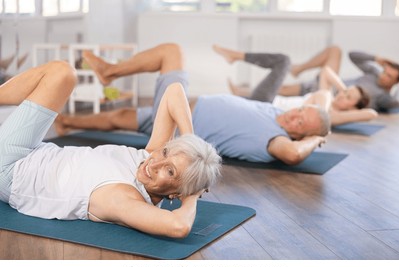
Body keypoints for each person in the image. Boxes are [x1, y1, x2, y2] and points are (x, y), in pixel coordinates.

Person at [0, 46, 222, 239]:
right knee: (62, 73)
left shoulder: (123, 197)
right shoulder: (151, 160)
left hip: (10, 171)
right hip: (36, 150)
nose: (155, 164)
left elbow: (179, 226)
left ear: (176, 193)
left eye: (171, 172)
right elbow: (174, 91)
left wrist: (192, 195)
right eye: (165, 153)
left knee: (60, 71)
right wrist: (189, 141)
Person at [55, 43, 330, 166]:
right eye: (300, 111)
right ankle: (67, 122)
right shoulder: (276, 111)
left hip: (178, 122)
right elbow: (321, 99)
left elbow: (293, 155)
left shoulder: (276, 140)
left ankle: (110, 72)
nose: (295, 116)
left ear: (298, 135)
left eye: (300, 123)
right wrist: (316, 119)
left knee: (171, 52)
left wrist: (317, 137)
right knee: (121, 117)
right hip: (177, 108)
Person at [213, 45, 378, 126]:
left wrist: (353, 111)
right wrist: (344, 90)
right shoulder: (325, 97)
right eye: (345, 92)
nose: (342, 94)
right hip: (266, 102)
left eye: (348, 97)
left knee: (283, 61)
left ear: (353, 107)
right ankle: (240, 90)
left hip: (265, 105)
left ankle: (235, 56)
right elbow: (326, 71)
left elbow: (371, 114)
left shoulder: (329, 115)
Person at [278, 45, 399, 113]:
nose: (383, 76)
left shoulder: (384, 97)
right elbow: (352, 55)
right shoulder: (374, 73)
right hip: (325, 83)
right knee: (280, 90)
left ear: (396, 82)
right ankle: (299, 69)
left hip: (329, 95)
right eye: (384, 71)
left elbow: (398, 102)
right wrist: (376, 59)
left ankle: (297, 70)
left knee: (335, 51)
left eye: (389, 76)